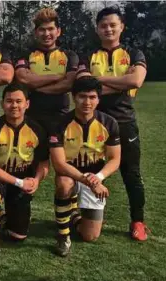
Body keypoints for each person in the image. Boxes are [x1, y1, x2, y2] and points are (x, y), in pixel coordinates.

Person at [77, 6, 148, 241]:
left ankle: (138, 221)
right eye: (103, 25)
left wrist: (97, 81)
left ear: (121, 27)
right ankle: (88, 216)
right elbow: (82, 85)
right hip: (93, 123)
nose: (108, 29)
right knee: (89, 172)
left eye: (112, 25)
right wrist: (121, 82)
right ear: (97, 29)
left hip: (124, 120)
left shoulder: (134, 53)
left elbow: (136, 79)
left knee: (131, 173)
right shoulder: (88, 56)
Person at [50, 76, 121, 257]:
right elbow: (59, 163)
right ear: (74, 97)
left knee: (90, 236)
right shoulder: (59, 123)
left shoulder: (109, 123)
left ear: (98, 99)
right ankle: (63, 235)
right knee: (64, 184)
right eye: (82, 96)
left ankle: (72, 215)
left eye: (92, 97)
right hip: (70, 174)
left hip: (95, 177)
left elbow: (114, 159)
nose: (87, 102)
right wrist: (89, 182)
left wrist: (98, 178)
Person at [0, 83, 49, 254]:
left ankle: (4, 218)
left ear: (27, 104)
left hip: (24, 180)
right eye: (9, 101)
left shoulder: (37, 129)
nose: (14, 106)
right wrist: (19, 183)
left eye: (19, 101)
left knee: (18, 236)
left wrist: (36, 180)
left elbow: (44, 163)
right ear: (2, 104)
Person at [14, 8, 78, 134]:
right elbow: (23, 78)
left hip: (61, 117)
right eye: (42, 29)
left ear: (58, 31)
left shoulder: (70, 55)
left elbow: (68, 83)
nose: (46, 33)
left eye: (50, 29)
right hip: (32, 117)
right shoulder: (26, 54)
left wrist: (35, 86)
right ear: (36, 32)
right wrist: (57, 77)